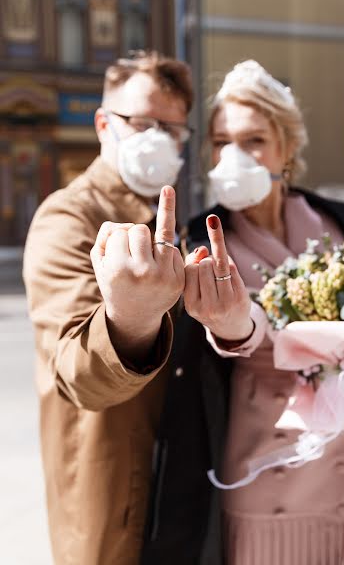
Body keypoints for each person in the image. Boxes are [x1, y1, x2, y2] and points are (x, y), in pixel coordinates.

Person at [138, 60, 344, 565]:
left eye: (253, 141)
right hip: (264, 475)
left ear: (287, 148)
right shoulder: (199, 240)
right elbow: (241, 329)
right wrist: (232, 323)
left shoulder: (342, 220)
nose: (233, 155)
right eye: (220, 142)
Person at [23, 52, 197, 565]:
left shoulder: (169, 220)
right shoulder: (68, 219)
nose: (157, 139)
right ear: (104, 124)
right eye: (142, 123)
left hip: (173, 481)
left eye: (171, 128)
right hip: (114, 495)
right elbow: (75, 373)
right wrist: (130, 320)